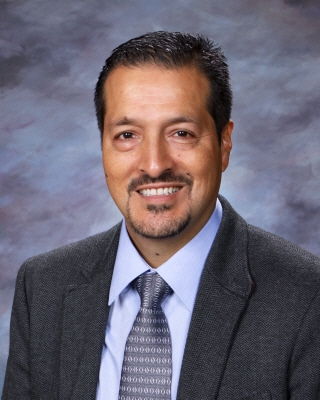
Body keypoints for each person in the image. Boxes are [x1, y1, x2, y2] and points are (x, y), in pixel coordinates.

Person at [2, 31, 320, 400]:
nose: (154, 165)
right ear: (102, 145)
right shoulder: (43, 288)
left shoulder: (306, 297)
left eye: (181, 133)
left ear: (224, 144)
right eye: (127, 135)